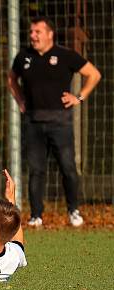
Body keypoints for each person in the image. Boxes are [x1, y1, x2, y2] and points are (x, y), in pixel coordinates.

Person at [7, 16, 101, 227]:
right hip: (33, 123)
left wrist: (79, 97)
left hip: (61, 123)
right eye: (31, 32)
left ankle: (73, 211)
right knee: (36, 170)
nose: (33, 36)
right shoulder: (23, 57)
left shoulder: (65, 55)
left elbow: (94, 74)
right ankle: (36, 215)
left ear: (50, 34)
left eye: (37, 32)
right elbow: (11, 79)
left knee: (68, 167)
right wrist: (20, 99)